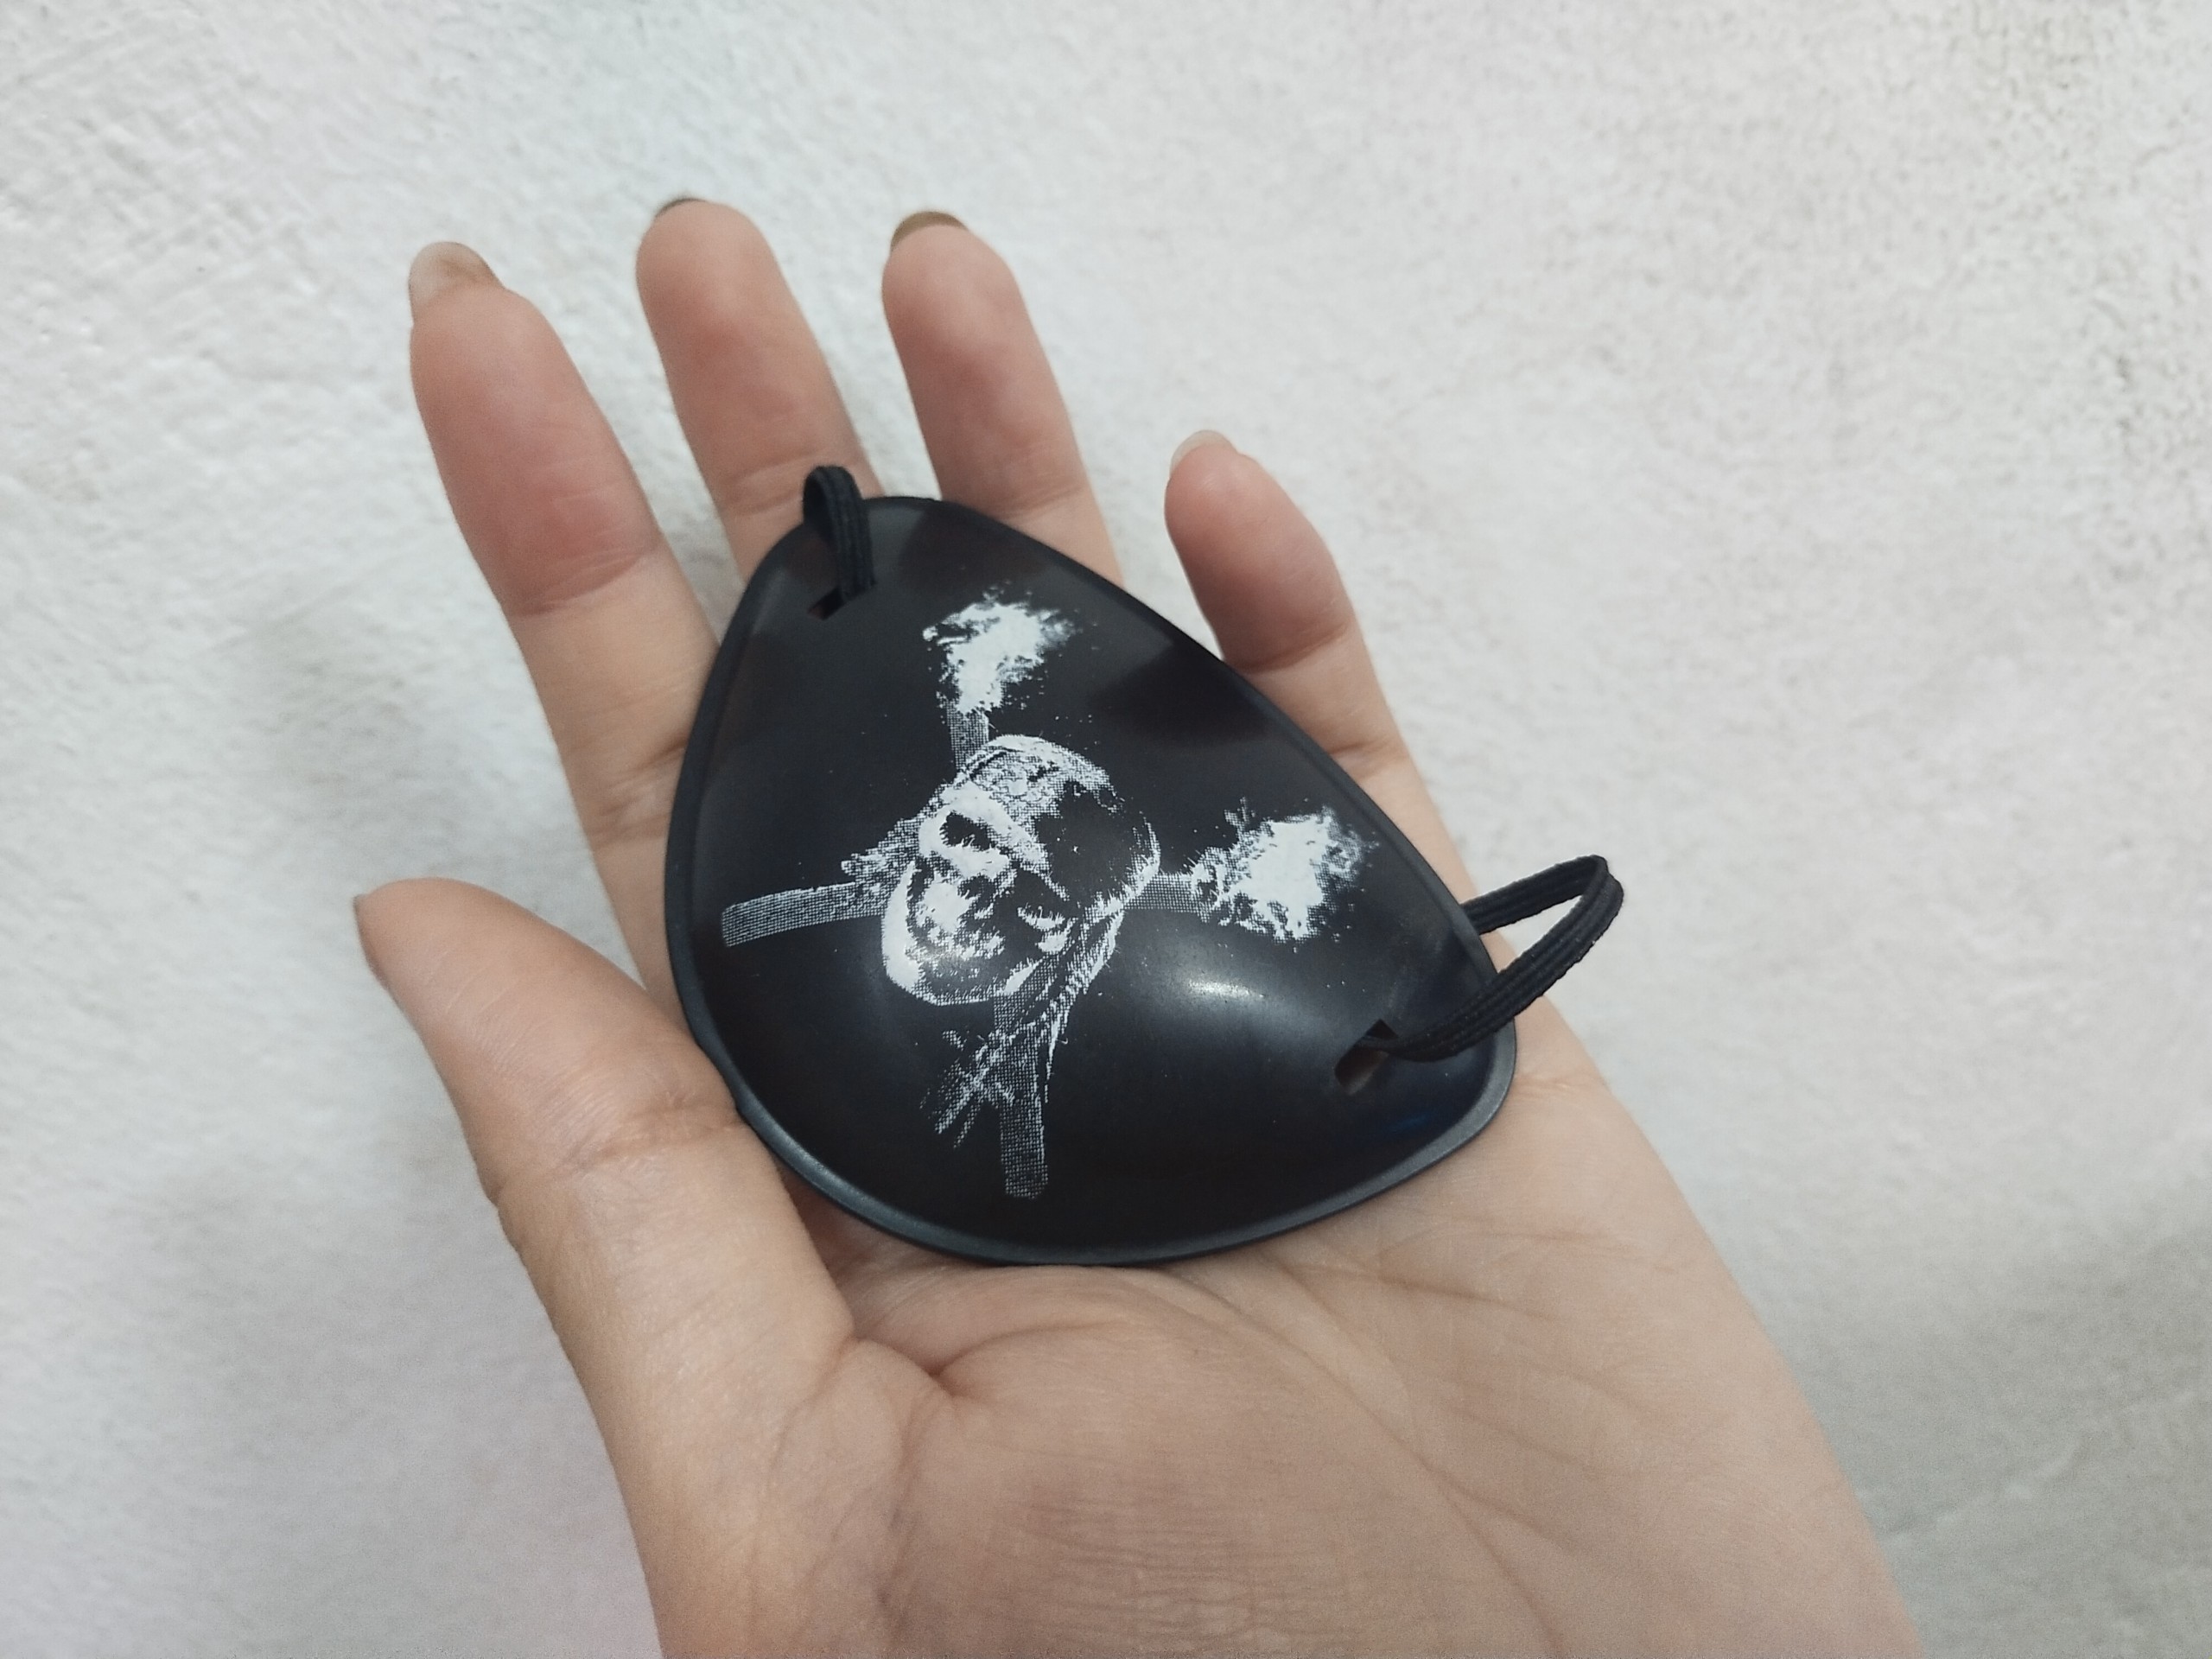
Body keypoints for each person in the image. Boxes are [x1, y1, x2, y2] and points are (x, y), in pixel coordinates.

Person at [355, 203, 1923, 1655]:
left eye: (1032, 892)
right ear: (923, 823)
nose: (972, 890)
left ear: (1078, 946)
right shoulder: (791, 934)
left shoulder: (1065, 1120)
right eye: (965, 838)